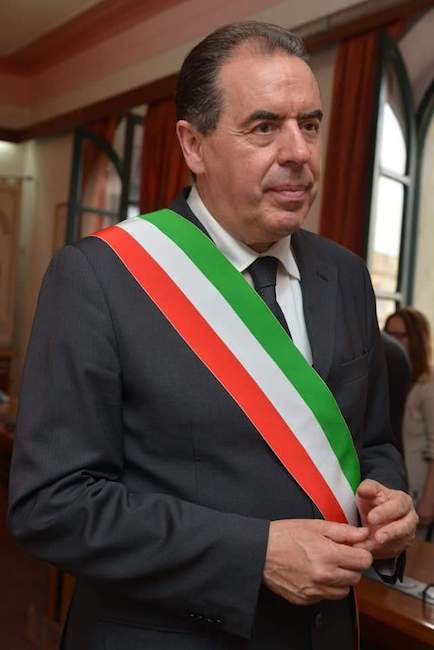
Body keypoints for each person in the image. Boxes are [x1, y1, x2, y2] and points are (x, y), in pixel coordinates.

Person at [8, 22, 417, 650]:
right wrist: (253, 555)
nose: (299, 151)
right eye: (264, 127)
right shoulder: (101, 277)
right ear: (193, 145)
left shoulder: (344, 276)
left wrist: (388, 500)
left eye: (309, 125)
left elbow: (374, 443)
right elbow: (52, 505)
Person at [385, 308, 434, 534]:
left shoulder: (428, 385)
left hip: (420, 493)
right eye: (389, 334)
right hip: (399, 488)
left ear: (416, 340)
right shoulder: (395, 379)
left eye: (400, 335)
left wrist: (427, 504)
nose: (393, 341)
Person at [381, 331, 411, 454]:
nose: (395, 338)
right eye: (390, 332)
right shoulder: (389, 351)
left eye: (400, 335)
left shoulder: (393, 354)